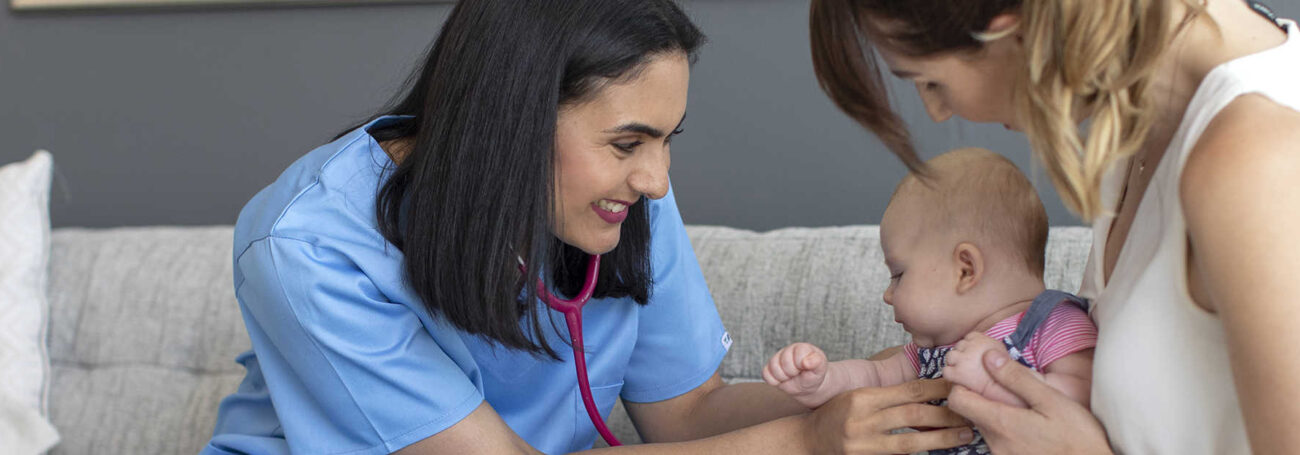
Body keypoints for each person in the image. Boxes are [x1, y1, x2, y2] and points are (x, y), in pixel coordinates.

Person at [202, 1, 977, 454]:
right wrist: (805, 442)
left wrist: (879, 386)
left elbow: (686, 414)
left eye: (666, 140)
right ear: (510, 120)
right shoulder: (309, 248)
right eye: (627, 142)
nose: (656, 180)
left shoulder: (624, 198)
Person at [809, 0, 1300, 453]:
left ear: (1012, 31)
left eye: (930, 80)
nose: (938, 113)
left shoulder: (1254, 164)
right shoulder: (1140, 131)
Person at [763, 148, 1097, 454]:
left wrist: (993, 383)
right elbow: (873, 378)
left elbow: (1081, 402)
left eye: (898, 275)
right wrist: (822, 381)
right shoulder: (930, 354)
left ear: (965, 270)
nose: (887, 294)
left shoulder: (1053, 322)